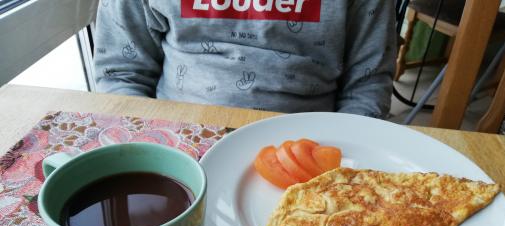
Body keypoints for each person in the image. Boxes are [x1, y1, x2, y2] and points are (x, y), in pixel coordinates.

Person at [94, 0, 396, 118]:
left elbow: (366, 86)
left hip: (309, 146)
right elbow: (121, 74)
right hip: (175, 138)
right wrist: (152, 144)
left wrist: (339, 152)